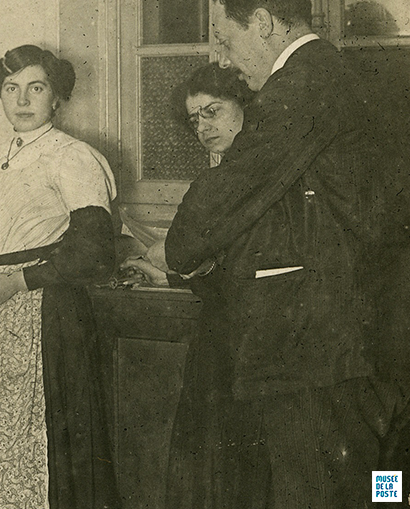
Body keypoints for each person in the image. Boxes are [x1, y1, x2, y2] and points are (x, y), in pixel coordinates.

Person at [163, 1, 403, 507]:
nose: (225, 61)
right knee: (381, 485)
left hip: (318, 351)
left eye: (227, 41)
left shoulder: (299, 85)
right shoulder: (341, 75)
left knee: (322, 491)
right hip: (364, 339)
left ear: (265, 22)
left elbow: (208, 215)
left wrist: (181, 249)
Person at [0, 45, 119, 509]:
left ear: (56, 98)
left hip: (46, 312)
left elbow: (94, 251)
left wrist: (18, 282)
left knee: (36, 439)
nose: (22, 100)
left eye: (35, 88)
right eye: (11, 89)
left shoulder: (72, 157)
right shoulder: (1, 158)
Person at [120, 62, 253, 287]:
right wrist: (167, 277)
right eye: (195, 120)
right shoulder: (225, 174)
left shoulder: (252, 172)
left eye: (212, 111)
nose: (202, 128)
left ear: (243, 103)